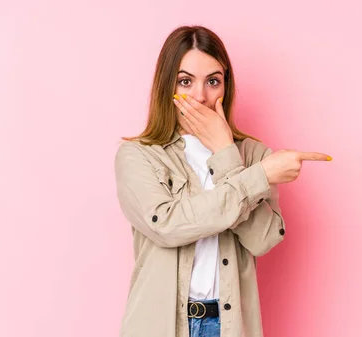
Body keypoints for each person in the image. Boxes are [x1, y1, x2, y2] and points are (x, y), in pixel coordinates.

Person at [114, 25, 332, 337]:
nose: (200, 97)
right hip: (159, 325)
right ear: (166, 86)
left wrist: (226, 154)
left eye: (212, 81)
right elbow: (167, 225)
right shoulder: (138, 156)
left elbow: (264, 239)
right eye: (185, 81)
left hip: (227, 326)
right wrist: (258, 178)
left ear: (225, 87)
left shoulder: (253, 155)